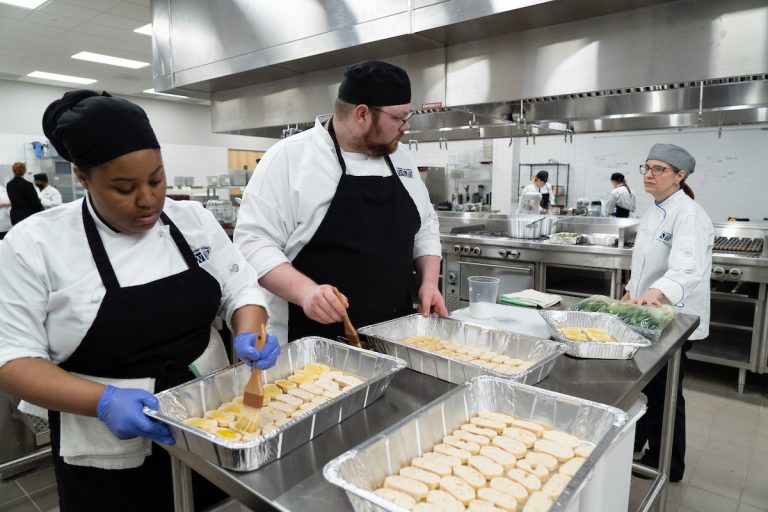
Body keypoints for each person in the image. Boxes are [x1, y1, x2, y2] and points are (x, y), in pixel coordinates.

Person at [0, 90, 281, 511]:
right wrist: (103, 401)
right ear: (82, 176)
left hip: (214, 426)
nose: (149, 199)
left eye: (156, 179)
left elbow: (241, 291)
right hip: (108, 448)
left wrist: (248, 332)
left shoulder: (193, 221)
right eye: (124, 188)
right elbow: (12, 360)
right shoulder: (35, 244)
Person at [235, 60, 447, 343]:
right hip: (312, 345)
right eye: (397, 118)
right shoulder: (289, 159)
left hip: (394, 340)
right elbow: (253, 244)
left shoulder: (401, 157)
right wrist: (306, 292)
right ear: (362, 114)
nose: (404, 127)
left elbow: (425, 226)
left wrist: (430, 283)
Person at [626, 143, 713, 483]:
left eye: (658, 169)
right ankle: (639, 443)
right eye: (646, 167)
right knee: (652, 386)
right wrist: (633, 290)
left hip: (675, 316)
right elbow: (648, 259)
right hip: (652, 313)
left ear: (680, 176)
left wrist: (656, 291)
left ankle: (669, 463)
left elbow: (687, 269)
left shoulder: (687, 213)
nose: (649, 174)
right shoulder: (657, 207)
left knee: (666, 392)